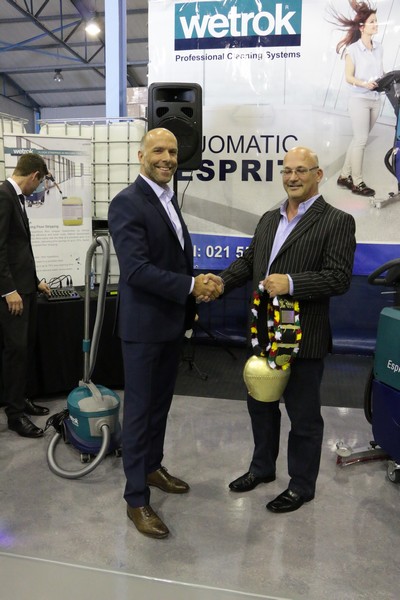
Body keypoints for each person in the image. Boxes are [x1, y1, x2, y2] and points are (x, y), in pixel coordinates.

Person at [219, 146, 356, 513]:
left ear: (318, 174)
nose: (293, 177)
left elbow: (339, 278)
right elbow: (249, 262)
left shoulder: (337, 221)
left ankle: (301, 486)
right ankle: (262, 468)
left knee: (304, 417)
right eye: (287, 171)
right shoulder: (269, 218)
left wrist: (292, 283)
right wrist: (218, 283)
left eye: (301, 170)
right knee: (260, 407)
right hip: (264, 334)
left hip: (303, 339)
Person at [108, 127, 223, 538]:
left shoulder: (168, 199)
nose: (167, 158)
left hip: (170, 324)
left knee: (159, 406)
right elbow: (137, 270)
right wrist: (192, 286)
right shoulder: (127, 202)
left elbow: (171, 262)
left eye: (173, 151)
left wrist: (196, 282)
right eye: (158, 150)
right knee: (140, 413)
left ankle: (152, 468)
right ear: (141, 155)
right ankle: (136, 499)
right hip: (143, 329)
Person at [0, 153, 51, 438]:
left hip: (27, 288)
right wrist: (9, 290)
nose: (39, 188)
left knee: (26, 349)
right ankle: (15, 415)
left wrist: (35, 281)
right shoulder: (4, 196)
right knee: (16, 352)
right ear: (34, 176)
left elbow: (20, 248)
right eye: (41, 183)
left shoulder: (16, 198)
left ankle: (22, 399)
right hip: (13, 294)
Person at [330, 0, 384, 197]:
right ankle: (358, 182)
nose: (376, 24)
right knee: (361, 140)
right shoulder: (352, 50)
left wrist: (385, 81)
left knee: (359, 139)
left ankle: (344, 176)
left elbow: (380, 71)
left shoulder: (379, 47)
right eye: (372, 22)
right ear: (362, 27)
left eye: (376, 21)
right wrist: (364, 84)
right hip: (359, 100)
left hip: (375, 99)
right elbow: (348, 77)